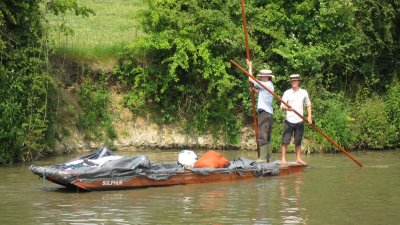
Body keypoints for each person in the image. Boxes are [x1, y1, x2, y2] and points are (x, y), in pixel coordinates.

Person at [280, 74, 312, 166]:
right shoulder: (287, 93)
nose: (293, 82)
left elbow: (308, 104)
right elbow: (282, 106)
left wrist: (309, 116)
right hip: (289, 120)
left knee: (298, 140)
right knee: (285, 140)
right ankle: (283, 159)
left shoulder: (304, 92)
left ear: (298, 82)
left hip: (299, 120)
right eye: (291, 81)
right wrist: (287, 108)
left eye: (295, 81)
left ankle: (298, 158)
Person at [247, 60, 274, 162]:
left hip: (265, 112)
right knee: (267, 134)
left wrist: (250, 67)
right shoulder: (268, 85)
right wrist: (255, 91)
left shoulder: (266, 84)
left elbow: (250, 79)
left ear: (266, 77)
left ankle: (263, 158)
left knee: (262, 133)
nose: (261, 77)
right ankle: (267, 158)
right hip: (268, 112)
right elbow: (262, 94)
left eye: (262, 76)